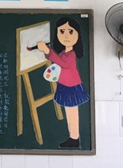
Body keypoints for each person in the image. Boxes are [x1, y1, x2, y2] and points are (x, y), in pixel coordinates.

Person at [37, 16, 89, 148]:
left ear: (78, 35)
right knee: (69, 112)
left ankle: (74, 137)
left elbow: (63, 63)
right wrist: (47, 51)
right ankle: (73, 137)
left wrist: (47, 51)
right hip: (65, 85)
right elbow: (58, 60)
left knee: (72, 113)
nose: (66, 36)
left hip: (71, 87)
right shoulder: (64, 52)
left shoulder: (71, 54)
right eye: (61, 31)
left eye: (70, 32)